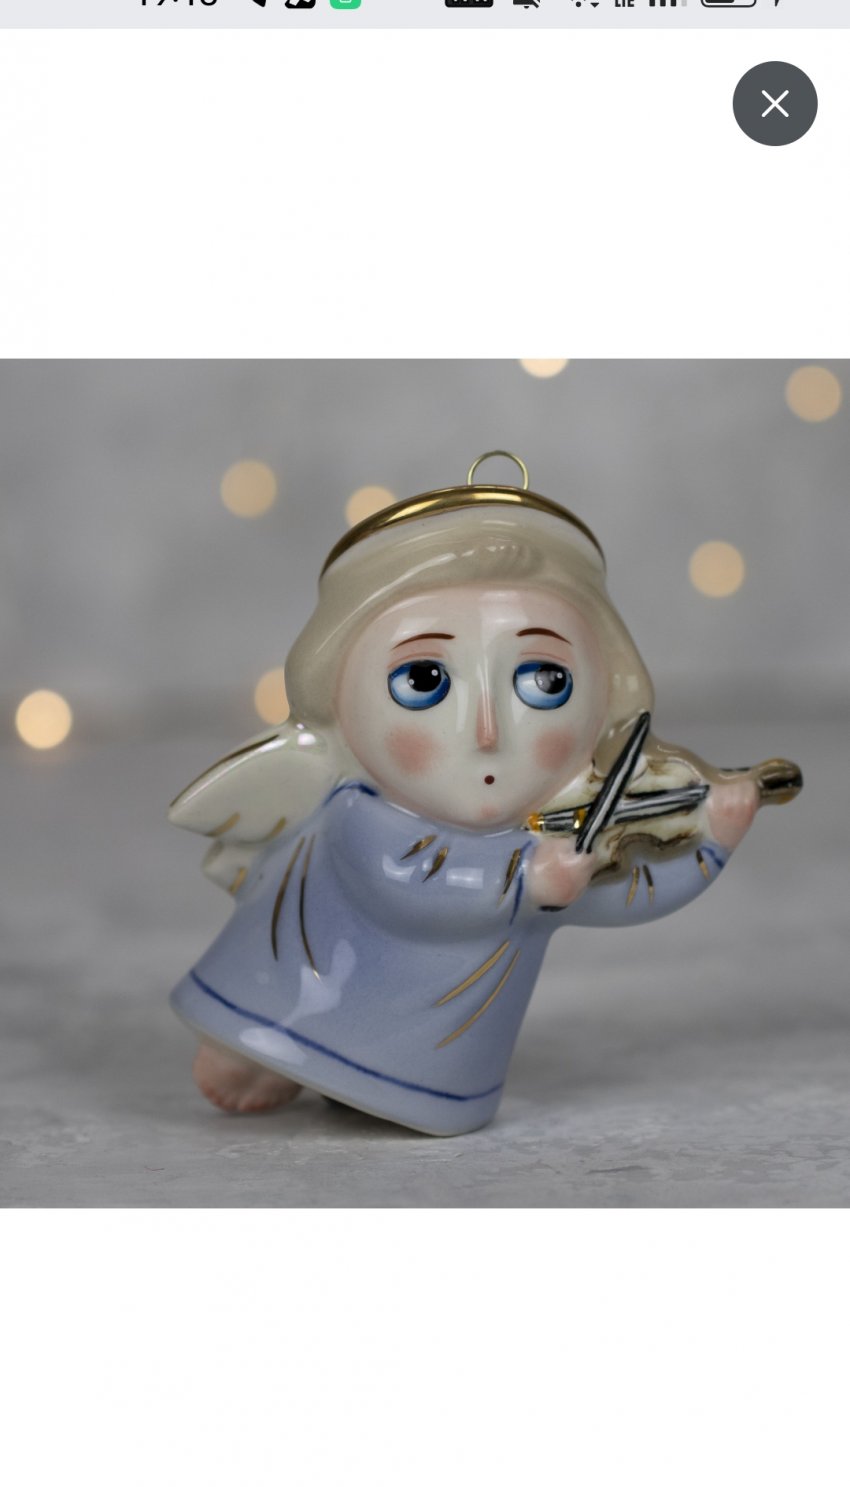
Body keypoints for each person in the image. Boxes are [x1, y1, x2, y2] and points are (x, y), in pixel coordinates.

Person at [170, 455, 799, 1136]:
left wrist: (714, 837)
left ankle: (366, 1081)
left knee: (412, 1076)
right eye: (424, 681)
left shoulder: (555, 830)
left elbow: (626, 889)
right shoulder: (357, 814)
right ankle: (261, 1048)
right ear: (341, 699)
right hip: (303, 985)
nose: (487, 732)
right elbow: (407, 881)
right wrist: (525, 880)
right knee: (265, 1030)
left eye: (543, 682)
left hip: (438, 1056)